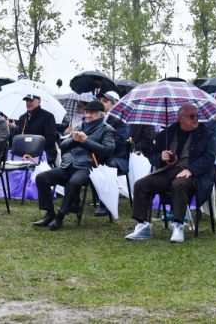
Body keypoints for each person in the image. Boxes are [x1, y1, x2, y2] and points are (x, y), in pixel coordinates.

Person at [125, 104, 216, 243]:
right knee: (141, 184)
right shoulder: (167, 133)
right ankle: (142, 225)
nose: (195, 119)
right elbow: (153, 156)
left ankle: (178, 225)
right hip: (168, 171)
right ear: (180, 118)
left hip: (194, 174)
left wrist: (191, 170)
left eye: (197, 116)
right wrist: (160, 157)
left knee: (178, 184)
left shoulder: (206, 134)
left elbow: (209, 157)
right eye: (191, 116)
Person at [33, 100, 115, 230]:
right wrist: (73, 139)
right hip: (68, 165)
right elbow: (62, 145)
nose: (87, 116)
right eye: (86, 112)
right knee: (41, 178)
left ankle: (60, 216)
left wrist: (86, 140)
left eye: (91, 113)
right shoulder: (80, 126)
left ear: (101, 115)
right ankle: (49, 213)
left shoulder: (107, 130)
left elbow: (106, 150)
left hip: (88, 167)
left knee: (74, 182)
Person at [96, 91, 129, 215]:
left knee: (106, 167)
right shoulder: (93, 118)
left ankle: (105, 203)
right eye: (99, 101)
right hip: (96, 155)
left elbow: (120, 142)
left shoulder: (120, 119)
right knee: (78, 163)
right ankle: (74, 202)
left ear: (113, 105)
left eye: (105, 101)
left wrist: (102, 142)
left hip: (116, 157)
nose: (101, 103)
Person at [8, 94, 58, 164]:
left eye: (31, 100)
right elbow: (19, 137)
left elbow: (51, 139)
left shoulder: (48, 116)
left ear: (39, 102)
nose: (28, 103)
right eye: (27, 101)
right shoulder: (22, 118)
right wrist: (14, 129)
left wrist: (34, 148)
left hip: (43, 152)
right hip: (24, 151)